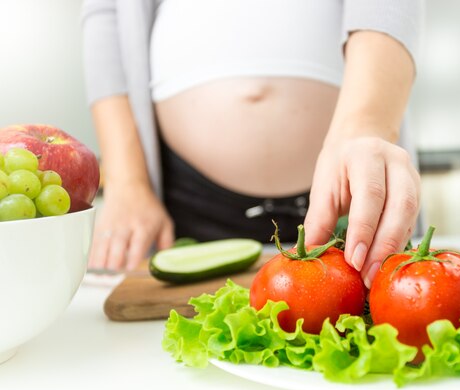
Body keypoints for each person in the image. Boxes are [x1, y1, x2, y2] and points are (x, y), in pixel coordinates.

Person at [82, 0, 422, 287]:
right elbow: (106, 11)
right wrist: (127, 183)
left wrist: (366, 128)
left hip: (350, 192)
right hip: (183, 200)